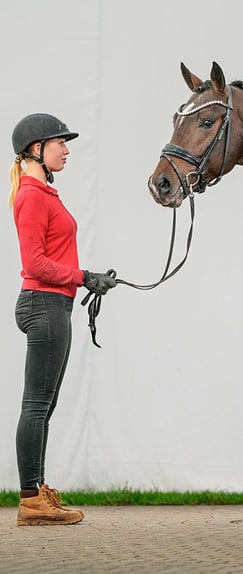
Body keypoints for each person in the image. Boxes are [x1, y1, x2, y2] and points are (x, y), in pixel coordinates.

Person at [8, 113, 116, 526]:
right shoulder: (33, 196)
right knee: (37, 405)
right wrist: (83, 276)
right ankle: (31, 499)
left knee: (43, 406)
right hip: (44, 305)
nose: (66, 149)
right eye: (59, 143)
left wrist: (88, 277)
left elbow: (52, 257)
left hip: (54, 304)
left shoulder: (43, 193)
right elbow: (34, 262)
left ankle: (36, 491)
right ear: (36, 149)